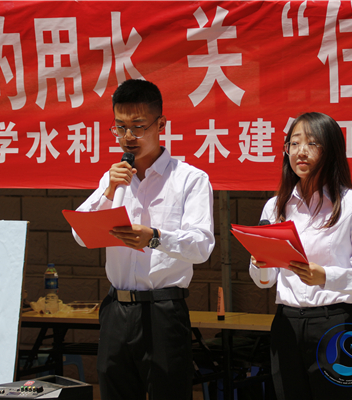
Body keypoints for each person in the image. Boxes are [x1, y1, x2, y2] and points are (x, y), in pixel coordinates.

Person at [72, 79, 215, 400]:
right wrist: (108, 190)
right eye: (120, 127)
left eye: (138, 127)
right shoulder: (113, 178)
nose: (128, 137)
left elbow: (201, 246)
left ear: (160, 124)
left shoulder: (189, 179)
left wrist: (154, 238)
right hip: (116, 310)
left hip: (163, 311)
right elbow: (81, 234)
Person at [249, 112, 352, 400]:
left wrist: (326, 276)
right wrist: (260, 263)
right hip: (286, 323)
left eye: (311, 143)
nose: (301, 151)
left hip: (334, 322)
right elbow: (264, 281)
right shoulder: (275, 206)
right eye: (294, 143)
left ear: (331, 149)